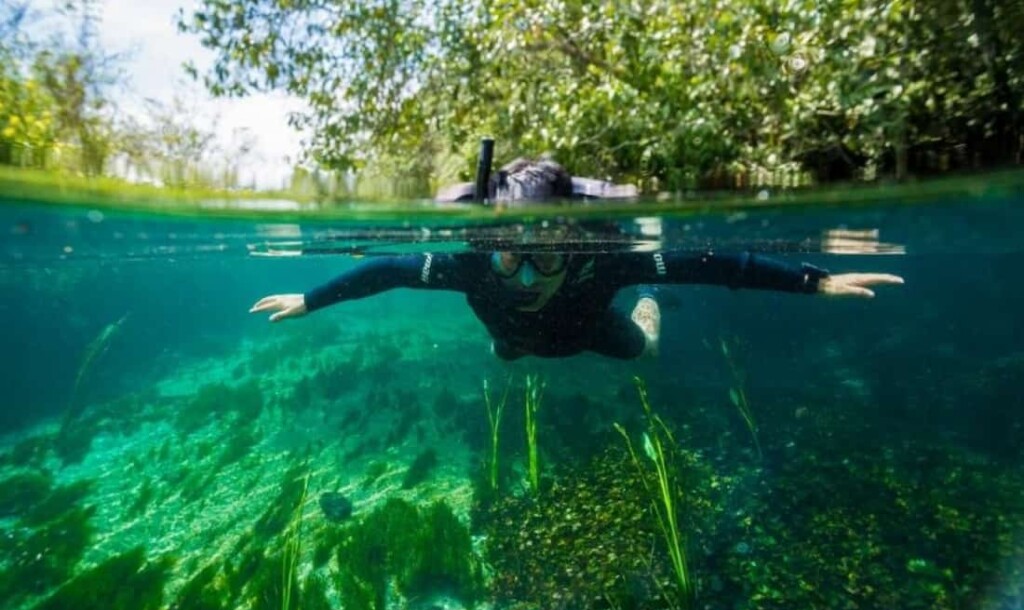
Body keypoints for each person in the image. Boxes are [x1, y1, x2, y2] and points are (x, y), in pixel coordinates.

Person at [250, 159, 904, 360]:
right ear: (490, 250)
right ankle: (507, 343)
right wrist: (310, 299)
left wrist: (814, 282)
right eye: (512, 261)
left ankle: (646, 317)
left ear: (575, 250)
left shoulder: (609, 261)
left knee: (641, 357)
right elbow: (388, 269)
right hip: (513, 338)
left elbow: (716, 262)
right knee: (506, 353)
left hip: (588, 334)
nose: (527, 275)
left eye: (545, 260)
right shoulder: (472, 264)